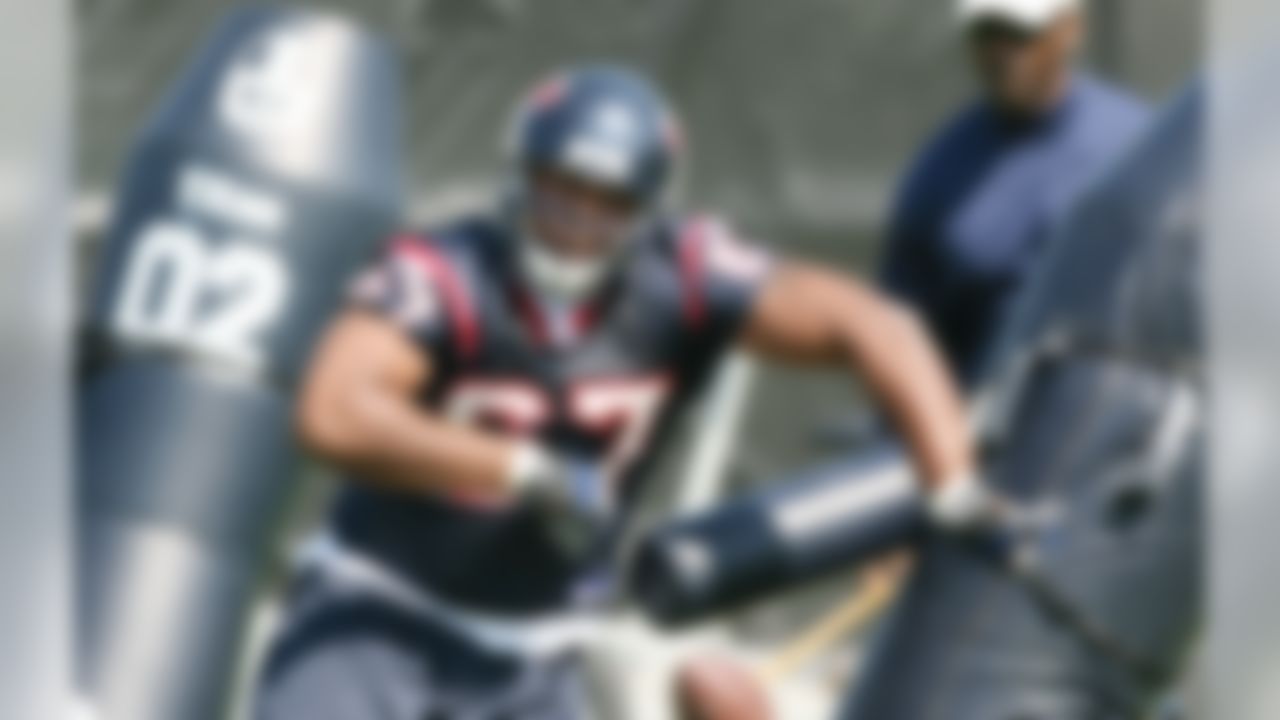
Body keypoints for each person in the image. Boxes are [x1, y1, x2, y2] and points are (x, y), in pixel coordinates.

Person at [255, 65, 981, 720]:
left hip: (534, 652)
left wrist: (951, 485)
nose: (574, 227)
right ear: (520, 176)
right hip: (379, 610)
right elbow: (332, 412)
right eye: (559, 191)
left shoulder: (684, 275)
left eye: (605, 204)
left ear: (648, 211)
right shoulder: (446, 270)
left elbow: (876, 326)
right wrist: (519, 469)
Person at [880, 0, 1150, 389]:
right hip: (992, 431)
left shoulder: (1133, 144)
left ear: (1069, 30)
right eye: (987, 34)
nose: (1001, 53)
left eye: (1019, 34)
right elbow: (899, 333)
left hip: (1120, 423)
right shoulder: (940, 171)